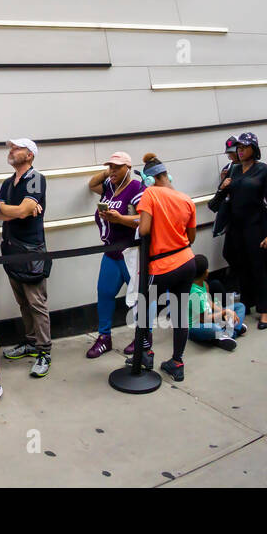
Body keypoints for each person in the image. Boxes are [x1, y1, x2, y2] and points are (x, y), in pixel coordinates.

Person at [135, 154, 198, 381]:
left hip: (162, 266)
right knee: (180, 314)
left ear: (150, 180)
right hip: (187, 261)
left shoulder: (150, 193)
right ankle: (177, 362)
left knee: (143, 308)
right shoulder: (186, 199)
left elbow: (143, 230)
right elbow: (191, 236)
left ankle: (146, 353)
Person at [208, 131, 267, 330]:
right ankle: (246, 303)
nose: (240, 150)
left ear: (253, 149)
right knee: (241, 268)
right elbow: (216, 203)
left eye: (244, 147)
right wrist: (223, 187)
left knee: (259, 269)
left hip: (256, 227)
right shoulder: (233, 170)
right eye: (238, 147)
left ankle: (264, 311)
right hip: (236, 227)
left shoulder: (263, 171)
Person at [0, 139, 51, 377]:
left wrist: (12, 209)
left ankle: (44, 351)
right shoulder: (8, 183)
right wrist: (16, 210)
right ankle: (30, 343)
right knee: (23, 302)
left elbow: (19, 211)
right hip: (10, 249)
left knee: (37, 303)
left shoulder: (36, 179)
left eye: (16, 148)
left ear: (29, 155)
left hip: (31, 251)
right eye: (11, 148)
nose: (11, 151)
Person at [86, 151, 145, 358]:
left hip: (131, 253)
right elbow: (91, 185)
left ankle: (143, 336)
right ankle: (104, 338)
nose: (112, 170)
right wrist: (109, 173)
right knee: (104, 293)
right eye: (110, 166)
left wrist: (121, 219)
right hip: (111, 251)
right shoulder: (110, 186)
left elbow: (144, 219)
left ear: (128, 168)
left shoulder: (137, 188)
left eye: (117, 167)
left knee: (139, 297)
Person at [188, 254, 245, 350]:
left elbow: (209, 302)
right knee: (215, 328)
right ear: (206, 272)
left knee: (240, 306)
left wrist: (224, 310)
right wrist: (224, 313)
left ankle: (224, 334)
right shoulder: (194, 293)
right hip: (196, 327)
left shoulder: (202, 284)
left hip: (210, 316)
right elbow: (203, 319)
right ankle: (231, 331)